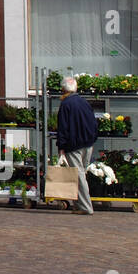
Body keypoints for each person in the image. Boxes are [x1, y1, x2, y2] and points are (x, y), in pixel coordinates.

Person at [56, 76, 98, 215]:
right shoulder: (84, 102)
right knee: (81, 174)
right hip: (87, 143)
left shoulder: (66, 104)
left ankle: (86, 207)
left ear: (63, 89)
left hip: (74, 145)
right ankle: (79, 205)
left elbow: (63, 127)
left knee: (78, 176)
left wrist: (61, 146)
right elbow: (93, 122)